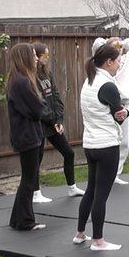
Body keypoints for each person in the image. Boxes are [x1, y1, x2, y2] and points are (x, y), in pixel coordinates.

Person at [74, 44, 129, 251]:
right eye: (118, 62)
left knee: (91, 190)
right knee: (101, 195)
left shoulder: (89, 81)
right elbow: (120, 117)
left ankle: (80, 233)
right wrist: (126, 113)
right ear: (108, 62)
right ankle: (98, 241)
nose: (118, 66)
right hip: (106, 146)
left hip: (90, 144)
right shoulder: (107, 86)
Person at [31, 43, 84, 203]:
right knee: (36, 160)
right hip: (41, 123)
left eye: (48, 55)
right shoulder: (31, 77)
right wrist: (52, 120)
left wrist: (59, 120)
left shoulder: (47, 74)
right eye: (44, 55)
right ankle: (35, 193)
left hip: (53, 123)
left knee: (69, 153)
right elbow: (39, 104)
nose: (47, 58)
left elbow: (55, 97)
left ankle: (72, 187)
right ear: (37, 56)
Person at [6, 43, 48, 231]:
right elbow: (38, 109)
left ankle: (17, 219)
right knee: (29, 179)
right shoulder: (21, 82)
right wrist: (41, 103)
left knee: (28, 178)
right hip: (27, 136)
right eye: (33, 55)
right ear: (24, 57)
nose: (36, 58)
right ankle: (25, 221)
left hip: (27, 135)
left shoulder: (19, 79)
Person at [91, 36, 129, 185]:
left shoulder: (127, 59)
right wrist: (109, 43)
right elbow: (97, 44)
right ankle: (105, 173)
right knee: (110, 139)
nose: (118, 49)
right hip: (108, 102)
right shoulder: (105, 61)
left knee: (124, 141)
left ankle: (116, 173)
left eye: (120, 46)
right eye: (116, 46)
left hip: (124, 103)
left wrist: (122, 43)